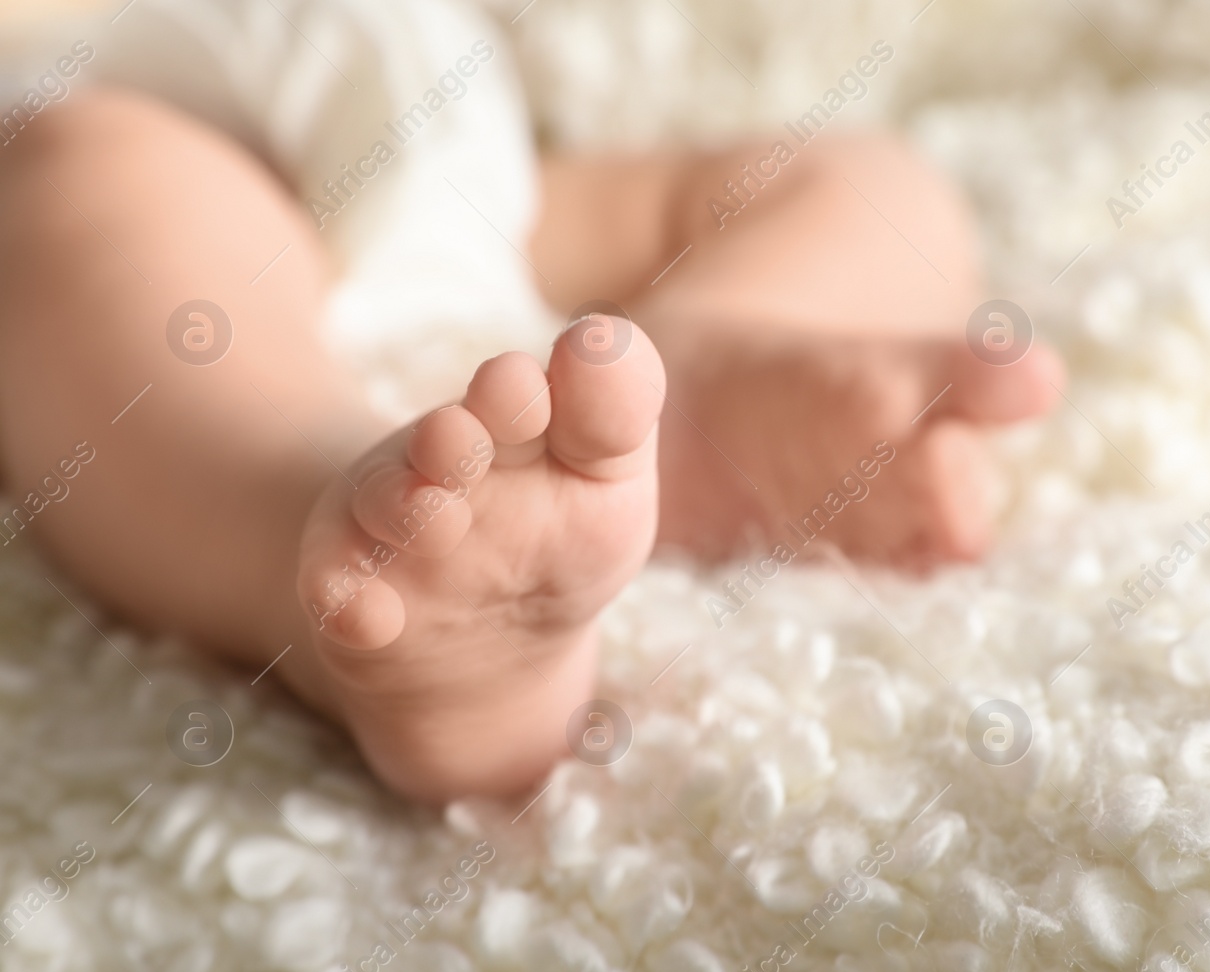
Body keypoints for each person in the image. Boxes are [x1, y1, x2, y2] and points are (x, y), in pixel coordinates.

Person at [0, 7, 1061, 802]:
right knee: (87, 192)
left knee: (853, 173)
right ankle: (337, 532)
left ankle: (687, 380)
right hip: (114, 124)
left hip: (461, 169)